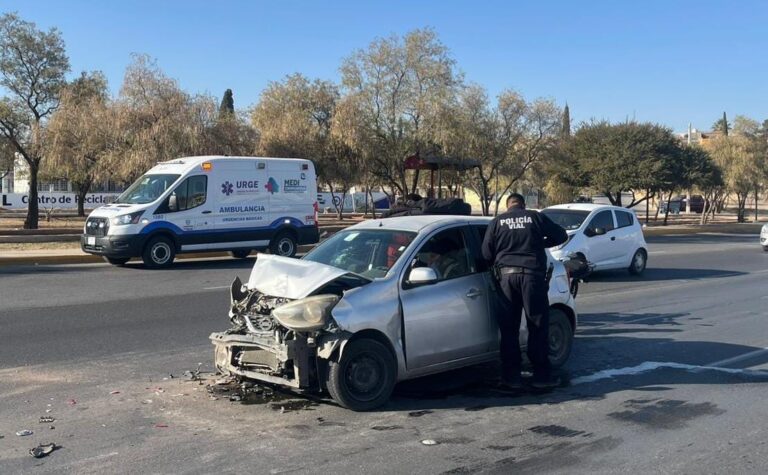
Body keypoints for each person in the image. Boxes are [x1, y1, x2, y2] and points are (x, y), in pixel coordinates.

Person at [481, 193, 568, 390]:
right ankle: (541, 377)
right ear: (523, 204)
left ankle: (511, 378)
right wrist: (539, 242)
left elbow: (486, 253)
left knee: (509, 329)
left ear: (507, 206)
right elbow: (561, 235)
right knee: (537, 325)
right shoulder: (535, 217)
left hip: (506, 279)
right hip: (532, 278)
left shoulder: (497, 222)